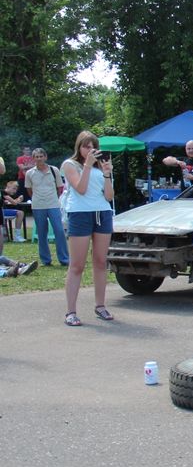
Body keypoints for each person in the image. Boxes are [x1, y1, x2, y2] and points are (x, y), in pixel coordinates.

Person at [61, 130, 115, 326]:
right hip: (80, 214)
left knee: (101, 261)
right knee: (77, 265)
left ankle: (100, 305)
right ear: (79, 147)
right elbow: (81, 188)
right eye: (86, 146)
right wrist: (87, 165)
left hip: (102, 212)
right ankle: (71, 311)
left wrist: (107, 173)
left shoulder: (101, 167)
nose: (90, 149)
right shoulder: (70, 164)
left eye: (93, 146)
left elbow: (109, 196)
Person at [25, 148, 69, 266]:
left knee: (59, 231)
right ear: (33, 159)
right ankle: (46, 260)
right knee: (41, 232)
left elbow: (60, 188)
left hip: (53, 204)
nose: (39, 159)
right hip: (38, 205)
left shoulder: (54, 170)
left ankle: (64, 259)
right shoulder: (29, 173)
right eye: (36, 157)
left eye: (41, 156)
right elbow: (29, 190)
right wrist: (37, 198)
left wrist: (53, 198)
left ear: (45, 157)